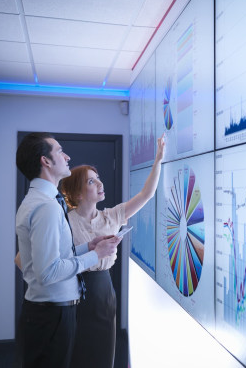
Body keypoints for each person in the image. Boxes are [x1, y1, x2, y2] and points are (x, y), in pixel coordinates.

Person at [15, 132, 121, 368]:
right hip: (51, 316)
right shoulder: (47, 207)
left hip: (47, 313)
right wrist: (95, 255)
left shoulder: (41, 201)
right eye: (60, 151)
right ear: (46, 161)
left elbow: (52, 257)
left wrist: (87, 247)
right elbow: (48, 272)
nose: (67, 156)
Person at [59, 134, 165, 368]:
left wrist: (158, 160)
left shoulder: (112, 216)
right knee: (77, 353)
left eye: (98, 179)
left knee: (103, 352)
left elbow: (146, 194)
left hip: (104, 291)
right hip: (73, 291)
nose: (100, 184)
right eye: (91, 182)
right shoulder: (65, 221)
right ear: (77, 194)